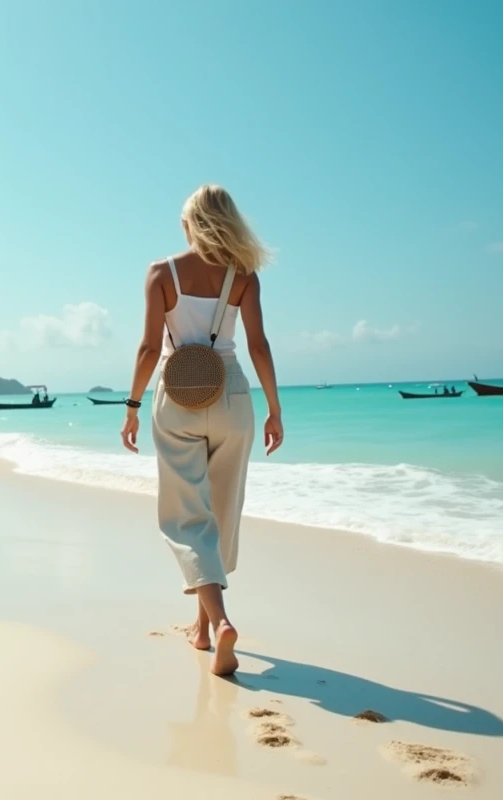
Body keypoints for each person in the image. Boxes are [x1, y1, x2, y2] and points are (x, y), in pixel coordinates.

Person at [120, 184, 282, 677]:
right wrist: (275, 409)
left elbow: (150, 348)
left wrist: (131, 405)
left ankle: (221, 620)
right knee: (220, 510)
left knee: (187, 515)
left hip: (179, 393)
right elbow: (258, 346)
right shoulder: (244, 276)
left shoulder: (160, 273)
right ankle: (204, 628)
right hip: (231, 390)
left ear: (190, 222)